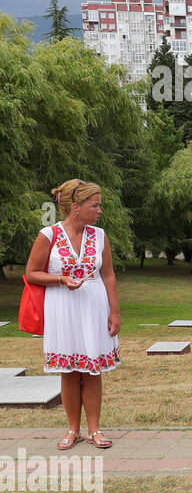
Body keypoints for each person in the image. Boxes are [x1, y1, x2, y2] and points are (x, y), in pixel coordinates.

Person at [25, 180, 121, 451]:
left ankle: (94, 430)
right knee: (69, 371)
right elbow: (32, 272)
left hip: (94, 306)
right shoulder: (48, 235)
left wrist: (115, 312)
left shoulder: (100, 236)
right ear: (76, 207)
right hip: (62, 307)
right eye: (95, 205)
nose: (99, 210)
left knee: (92, 370)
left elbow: (108, 275)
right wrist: (61, 280)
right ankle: (72, 430)